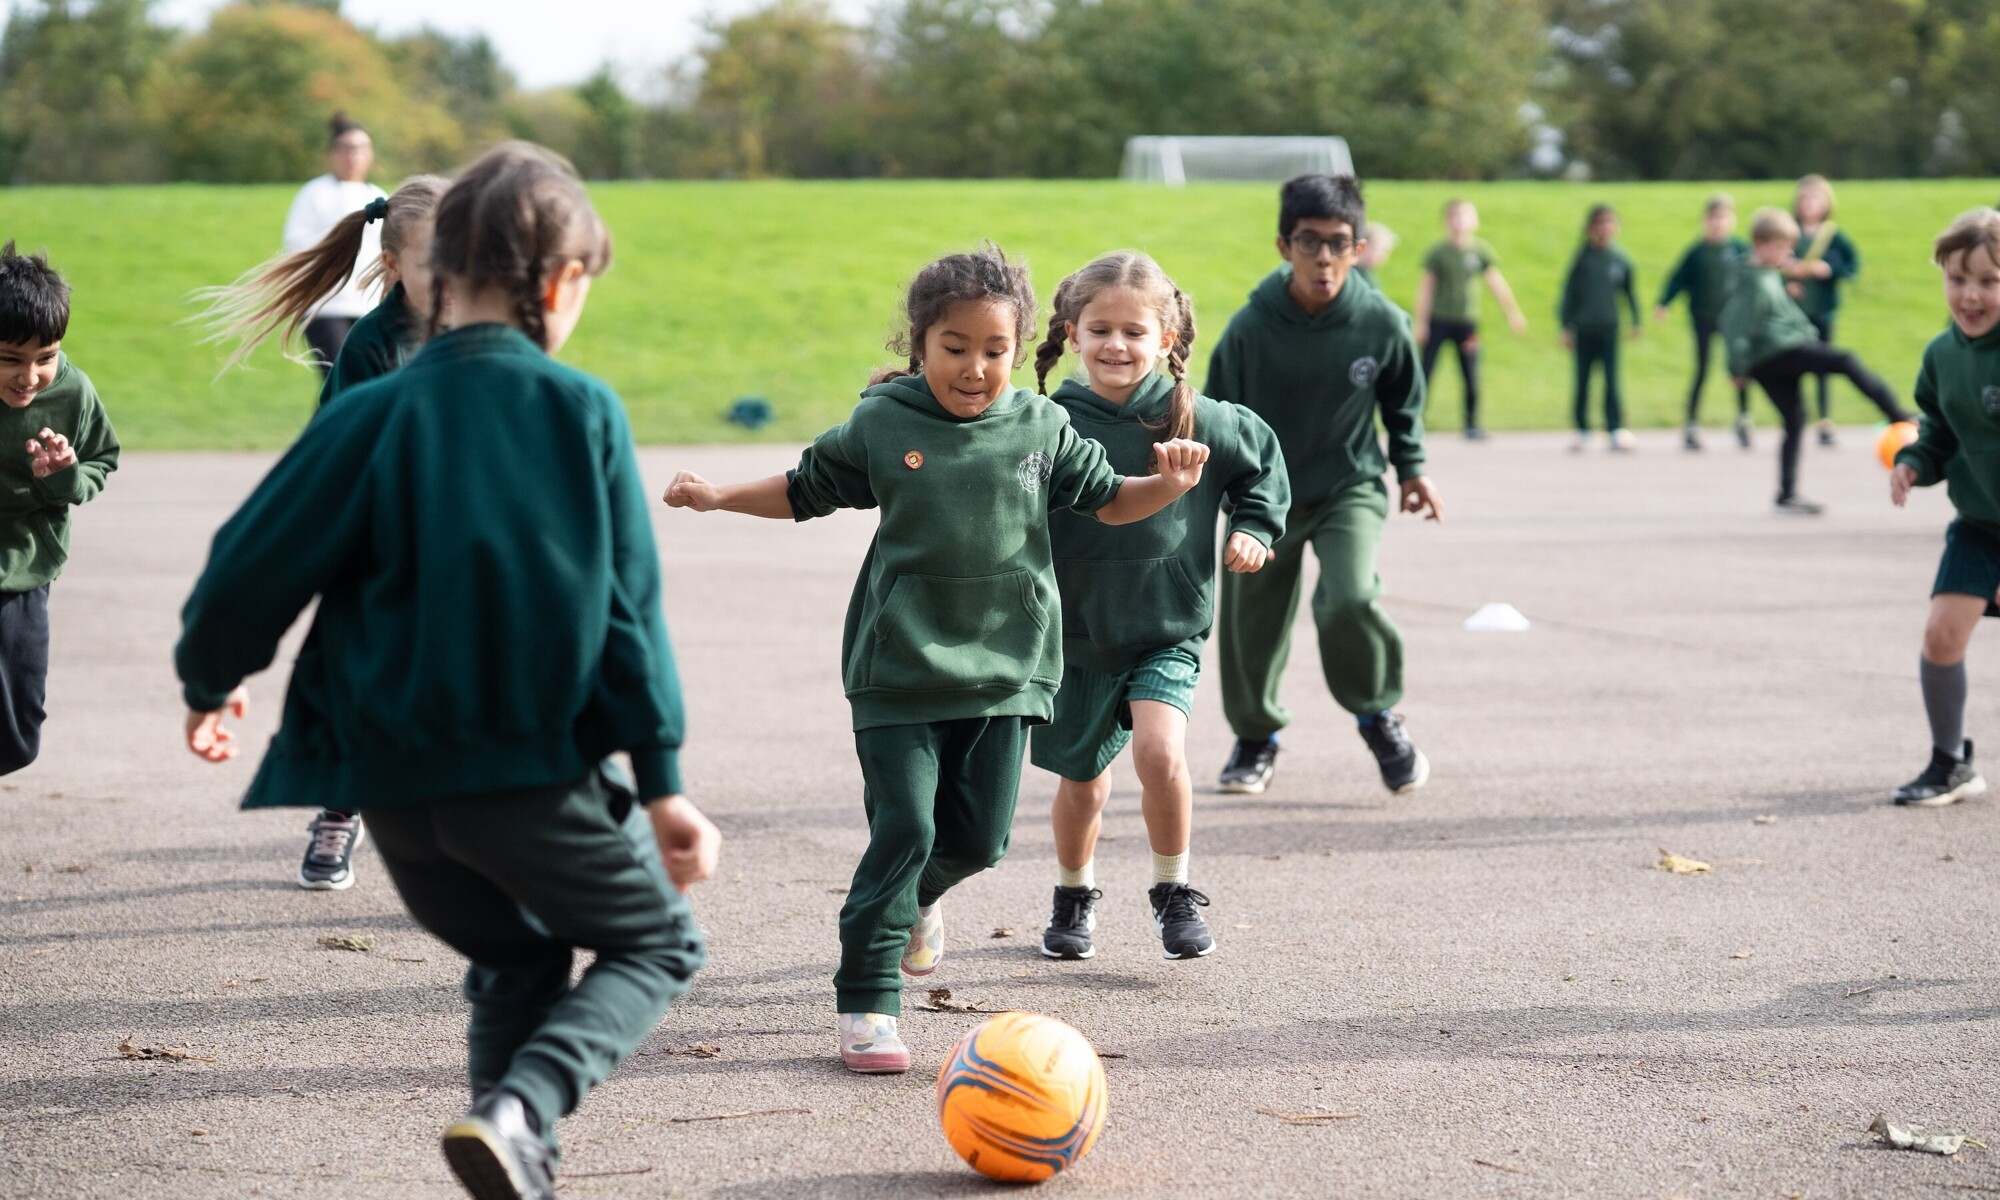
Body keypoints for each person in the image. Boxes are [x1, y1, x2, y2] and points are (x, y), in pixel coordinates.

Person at [176, 143, 718, 1200]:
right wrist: (661, 784)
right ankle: (525, 1107)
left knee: (517, 960)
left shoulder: (368, 413)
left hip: (391, 797)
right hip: (518, 776)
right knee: (658, 945)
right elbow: (628, 618)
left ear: (432, 277)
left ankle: (512, 1159)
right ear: (560, 286)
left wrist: (210, 678)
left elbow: (246, 571)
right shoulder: (580, 412)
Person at [663, 246, 1210, 1075]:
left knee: (981, 842)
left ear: (1021, 349)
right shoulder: (885, 424)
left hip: (1008, 671)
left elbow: (1109, 500)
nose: (975, 368)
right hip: (898, 671)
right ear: (919, 344)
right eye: (955, 348)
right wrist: (719, 495)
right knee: (907, 829)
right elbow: (806, 486)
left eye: (994, 351)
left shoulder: (1043, 426)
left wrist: (1166, 488)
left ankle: (911, 905)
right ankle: (867, 1000)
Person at [1030, 251, 1289, 962]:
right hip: (1075, 636)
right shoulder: (1046, 421)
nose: (1117, 345)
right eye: (1100, 329)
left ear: (1165, 340)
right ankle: (1072, 895)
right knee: (1082, 785)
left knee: (1158, 751)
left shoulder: (1196, 416)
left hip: (1166, 629)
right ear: (1072, 334)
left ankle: (1172, 892)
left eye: (1135, 332)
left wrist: (1253, 528)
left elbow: (1261, 462)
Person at [196, 173, 450, 890]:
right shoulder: (373, 345)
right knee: (355, 684)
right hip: (378, 541)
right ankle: (340, 810)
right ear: (395, 267)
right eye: (438, 263)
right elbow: (353, 461)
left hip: (457, 545)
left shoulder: (489, 329)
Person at [1209, 175, 1440, 798]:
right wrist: (1218, 495)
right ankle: (1256, 738)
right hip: (1265, 498)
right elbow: (1218, 418)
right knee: (1249, 622)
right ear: (1285, 246)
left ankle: (1378, 716)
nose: (1324, 258)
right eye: (1309, 243)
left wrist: (1412, 469)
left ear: (1358, 248)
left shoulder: (1380, 324)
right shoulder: (1250, 330)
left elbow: (1402, 404)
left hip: (1349, 487)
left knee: (1352, 597)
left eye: (1338, 244)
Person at [1887, 207, 2000, 806]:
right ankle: (1949, 761)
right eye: (1958, 279)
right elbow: (1941, 433)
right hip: (1980, 526)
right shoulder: (1941, 356)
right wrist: (1915, 463)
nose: (1971, 295)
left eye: (1988, 281)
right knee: (1941, 635)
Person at [0, 243, 119, 777]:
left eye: (44, 358)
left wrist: (65, 475)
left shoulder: (73, 394)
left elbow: (102, 459)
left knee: (19, 734)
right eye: (9, 360)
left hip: (25, 567)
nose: (29, 376)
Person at [1723, 207, 1912, 516]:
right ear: (1759, 244)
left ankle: (1786, 495)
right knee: (1845, 360)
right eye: (1781, 248)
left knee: (1795, 420)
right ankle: (1897, 414)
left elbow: (1775, 313)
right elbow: (1735, 327)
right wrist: (1736, 368)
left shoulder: (1767, 276)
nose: (1787, 255)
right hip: (1776, 354)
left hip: (1773, 357)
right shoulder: (1753, 283)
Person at [280, 112, 386, 376]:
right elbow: (296, 245)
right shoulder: (315, 193)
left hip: (368, 307)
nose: (354, 156)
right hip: (325, 307)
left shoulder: (378, 197)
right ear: (333, 153)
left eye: (361, 149)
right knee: (339, 380)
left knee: (364, 383)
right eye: (347, 149)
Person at [1414, 198, 1528, 440]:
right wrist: (1421, 322)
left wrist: (1513, 313)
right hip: (1439, 321)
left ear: (1474, 221)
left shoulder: (1479, 251)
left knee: (1471, 373)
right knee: (1426, 372)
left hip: (1467, 324)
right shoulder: (1438, 253)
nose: (1459, 221)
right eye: (1454, 216)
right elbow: (1426, 289)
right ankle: (1415, 421)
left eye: (1464, 216)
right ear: (1446, 221)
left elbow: (1496, 284)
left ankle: (1472, 424)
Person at [1657, 194, 1752, 451]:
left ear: (1732, 220)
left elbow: (1754, 279)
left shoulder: (1740, 249)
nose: (1718, 223)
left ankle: (1743, 420)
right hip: (1703, 317)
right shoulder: (1697, 252)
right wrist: (1664, 303)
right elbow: (1677, 278)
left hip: (1733, 319)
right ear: (1705, 220)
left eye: (1723, 217)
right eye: (1714, 217)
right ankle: (1691, 424)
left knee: (1739, 368)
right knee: (1701, 369)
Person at [1559, 204, 1642, 452]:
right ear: (1591, 228)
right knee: (1583, 380)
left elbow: (1629, 293)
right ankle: (1582, 428)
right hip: (1585, 328)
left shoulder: (1620, 259)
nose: (1604, 229)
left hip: (1609, 327)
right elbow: (1569, 294)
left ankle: (1614, 428)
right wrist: (1566, 326)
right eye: (1599, 223)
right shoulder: (1582, 258)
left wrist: (1636, 320)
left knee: (1611, 380)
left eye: (1608, 223)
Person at [1786, 175, 1860, 446]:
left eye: (1814, 199)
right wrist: (1788, 280)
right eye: (1804, 199)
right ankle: (1796, 417)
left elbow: (1852, 266)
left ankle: (1825, 419)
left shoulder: (1833, 236)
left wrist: (1829, 270)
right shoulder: (1789, 232)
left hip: (1823, 311)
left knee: (1824, 366)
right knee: (1794, 366)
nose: (1809, 204)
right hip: (1795, 312)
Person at [1354, 221, 1395, 290]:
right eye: (1382, 250)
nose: (1384, 255)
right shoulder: (1353, 273)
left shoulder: (1367, 272)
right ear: (1364, 246)